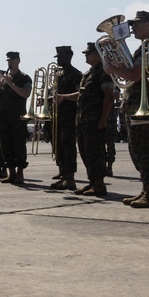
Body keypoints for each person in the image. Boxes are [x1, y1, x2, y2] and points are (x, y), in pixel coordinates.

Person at [105, 11, 149, 208]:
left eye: (137, 24)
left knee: (143, 149)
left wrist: (113, 70)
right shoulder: (143, 49)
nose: (133, 28)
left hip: (141, 104)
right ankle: (147, 190)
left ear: (148, 25)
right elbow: (128, 70)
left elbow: (135, 74)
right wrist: (113, 55)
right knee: (135, 149)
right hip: (133, 104)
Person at [57, 42, 114, 196]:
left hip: (95, 120)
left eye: (89, 53)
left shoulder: (103, 72)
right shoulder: (89, 73)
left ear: (98, 54)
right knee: (86, 152)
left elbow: (109, 96)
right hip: (84, 120)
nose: (86, 56)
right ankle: (92, 182)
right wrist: (64, 97)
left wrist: (103, 119)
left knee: (96, 153)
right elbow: (81, 95)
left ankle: (99, 184)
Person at [0, 51, 32, 185]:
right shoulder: (5, 79)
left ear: (18, 61)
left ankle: (20, 172)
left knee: (19, 145)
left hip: (18, 117)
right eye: (8, 60)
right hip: (4, 116)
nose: (9, 63)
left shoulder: (24, 78)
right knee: (5, 145)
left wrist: (10, 83)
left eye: (12, 60)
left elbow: (25, 94)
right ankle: (11, 172)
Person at [49, 46, 83, 191]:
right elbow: (53, 93)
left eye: (61, 56)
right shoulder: (57, 74)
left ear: (69, 56)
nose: (58, 60)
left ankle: (70, 178)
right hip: (56, 115)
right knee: (57, 146)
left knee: (68, 147)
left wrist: (64, 98)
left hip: (68, 116)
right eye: (57, 57)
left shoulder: (76, 74)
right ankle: (63, 173)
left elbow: (80, 94)